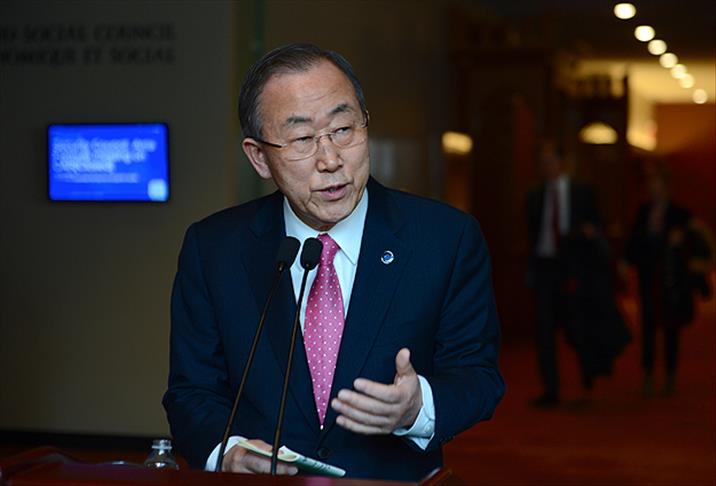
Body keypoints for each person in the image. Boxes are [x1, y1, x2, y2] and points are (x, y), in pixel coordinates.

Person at [162, 43, 504, 481]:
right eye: (303, 139)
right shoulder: (214, 248)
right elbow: (192, 391)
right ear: (259, 157)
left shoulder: (445, 239)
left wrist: (418, 406)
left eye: (343, 129)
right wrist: (226, 453)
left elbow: (478, 377)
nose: (330, 160)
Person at [525, 143, 628, 407]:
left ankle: (587, 382)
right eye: (542, 162)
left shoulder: (582, 192)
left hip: (575, 269)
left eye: (550, 160)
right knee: (544, 330)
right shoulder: (534, 196)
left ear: (562, 162)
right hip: (546, 268)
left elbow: (596, 226)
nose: (546, 167)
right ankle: (551, 389)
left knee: (579, 326)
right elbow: (532, 235)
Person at [624, 168, 708, 396]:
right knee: (648, 326)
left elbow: (701, 240)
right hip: (648, 277)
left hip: (671, 279)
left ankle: (670, 374)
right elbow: (633, 243)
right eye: (651, 186)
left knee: (671, 327)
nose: (654, 191)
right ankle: (648, 374)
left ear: (667, 188)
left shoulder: (680, 214)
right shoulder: (643, 212)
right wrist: (627, 262)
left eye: (658, 186)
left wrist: (683, 242)